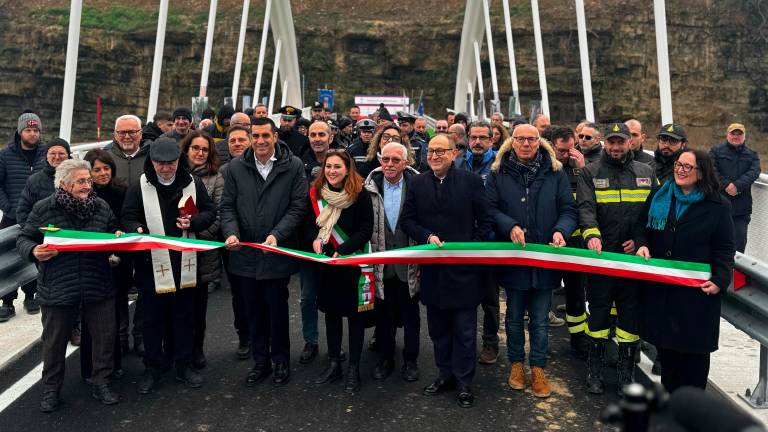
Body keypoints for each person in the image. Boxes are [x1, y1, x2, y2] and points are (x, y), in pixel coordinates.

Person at [17, 159, 122, 412]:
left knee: (104, 337)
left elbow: (113, 231)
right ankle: (51, 390)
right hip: (58, 286)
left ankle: (102, 383)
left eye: (89, 180)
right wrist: (34, 251)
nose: (88, 185)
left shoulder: (101, 206)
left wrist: (117, 243)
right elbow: (24, 237)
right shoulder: (44, 208)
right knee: (54, 342)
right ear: (63, 184)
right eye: (82, 181)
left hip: (97, 282)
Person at [401, 134, 492, 408]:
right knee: (438, 329)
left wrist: (471, 249)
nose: (435, 155)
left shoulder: (471, 182)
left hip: (464, 270)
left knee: (464, 331)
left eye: (441, 151)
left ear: (454, 154)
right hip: (433, 271)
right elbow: (408, 219)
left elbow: (485, 220)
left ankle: (464, 382)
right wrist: (426, 235)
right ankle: (445, 374)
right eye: (431, 151)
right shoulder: (417, 183)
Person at [486, 124, 577, 399]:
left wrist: (561, 230)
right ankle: (516, 364)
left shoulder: (555, 172)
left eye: (531, 139)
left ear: (540, 143)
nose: (526, 144)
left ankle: (538, 367)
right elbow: (490, 209)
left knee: (539, 319)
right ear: (512, 142)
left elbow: (568, 209)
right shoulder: (498, 173)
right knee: (513, 318)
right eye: (521, 139)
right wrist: (509, 225)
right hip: (514, 259)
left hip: (545, 257)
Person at [635, 149, 735, 392]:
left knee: (694, 358)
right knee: (668, 356)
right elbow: (640, 226)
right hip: (665, 291)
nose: (680, 170)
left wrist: (720, 280)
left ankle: (692, 413)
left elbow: (724, 248)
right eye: (679, 164)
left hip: (697, 294)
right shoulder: (661, 195)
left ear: (701, 173)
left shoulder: (718, 205)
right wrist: (642, 245)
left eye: (687, 167)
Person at [121, 137, 215, 394]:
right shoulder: (138, 187)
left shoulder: (192, 184)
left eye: (170, 163)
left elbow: (210, 212)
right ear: (152, 162)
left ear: (178, 161)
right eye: (160, 163)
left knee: (184, 318)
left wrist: (193, 223)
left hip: (184, 264)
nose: (165, 168)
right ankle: (153, 367)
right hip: (151, 265)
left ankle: (183, 364)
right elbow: (128, 216)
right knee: (152, 320)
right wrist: (136, 228)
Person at [221, 117, 307, 387]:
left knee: (277, 311)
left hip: (275, 253)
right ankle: (261, 362)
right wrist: (231, 232)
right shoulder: (235, 167)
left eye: (265, 136)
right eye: (255, 136)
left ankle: (281, 360)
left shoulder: (292, 166)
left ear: (275, 136)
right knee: (253, 312)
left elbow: (298, 206)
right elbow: (227, 207)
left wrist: (277, 235)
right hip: (244, 254)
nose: (260, 141)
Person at [577, 122, 657, 396]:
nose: (615, 147)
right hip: (602, 258)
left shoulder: (647, 173)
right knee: (598, 314)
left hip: (632, 260)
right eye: (611, 142)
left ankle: (625, 375)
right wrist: (591, 236)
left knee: (629, 319)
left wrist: (641, 241)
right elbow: (586, 208)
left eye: (620, 142)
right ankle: (594, 372)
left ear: (629, 143)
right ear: (604, 143)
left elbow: (652, 214)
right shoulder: (590, 171)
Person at [306, 150, 374, 393]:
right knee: (331, 315)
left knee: (355, 318)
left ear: (348, 169)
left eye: (337, 167)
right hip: (327, 266)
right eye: (328, 167)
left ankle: (353, 368)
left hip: (352, 263)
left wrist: (344, 249)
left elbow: (366, 228)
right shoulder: (316, 193)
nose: (332, 171)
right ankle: (334, 362)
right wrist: (313, 240)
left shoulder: (360, 194)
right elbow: (307, 225)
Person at [365, 142, 421, 382]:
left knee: (411, 318)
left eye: (395, 160)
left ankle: (411, 361)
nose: (389, 164)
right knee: (383, 317)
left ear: (405, 162)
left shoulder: (418, 186)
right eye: (385, 159)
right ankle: (385, 358)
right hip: (381, 265)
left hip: (409, 266)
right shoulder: (368, 187)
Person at [82, 149, 130, 377]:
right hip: (92, 262)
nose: (102, 173)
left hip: (119, 258)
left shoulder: (122, 191)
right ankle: (92, 366)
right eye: (97, 169)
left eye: (106, 168)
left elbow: (126, 220)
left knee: (118, 307)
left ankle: (117, 355)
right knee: (94, 314)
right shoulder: (82, 194)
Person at [544, 125, 589, 358]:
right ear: (552, 146)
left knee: (576, 292)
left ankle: (578, 337)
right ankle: (541, 339)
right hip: (548, 242)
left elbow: (588, 201)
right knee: (543, 290)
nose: (567, 155)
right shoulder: (543, 167)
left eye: (571, 150)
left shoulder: (579, 168)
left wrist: (583, 169)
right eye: (562, 151)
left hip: (574, 242)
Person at [13, 138, 71, 318]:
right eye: (52, 153)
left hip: (73, 240)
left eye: (61, 153)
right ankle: (55, 327)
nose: (57, 157)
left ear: (68, 155)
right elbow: (23, 212)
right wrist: (38, 235)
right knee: (52, 287)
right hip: (46, 244)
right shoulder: (35, 181)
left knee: (73, 286)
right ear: (46, 156)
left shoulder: (79, 177)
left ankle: (75, 326)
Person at [181, 131, 224, 369]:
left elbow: (218, 213)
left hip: (203, 250)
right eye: (195, 148)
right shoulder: (173, 174)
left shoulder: (216, 178)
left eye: (204, 149)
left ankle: (196, 350)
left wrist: (197, 236)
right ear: (186, 149)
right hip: (176, 250)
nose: (199, 153)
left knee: (198, 308)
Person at [0, 112, 47, 322]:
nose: (33, 134)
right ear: (20, 132)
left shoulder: (47, 153)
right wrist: (8, 208)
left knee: (33, 254)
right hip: (12, 216)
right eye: (28, 130)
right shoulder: (5, 155)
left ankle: (31, 295)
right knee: (7, 258)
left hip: (38, 216)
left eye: (36, 130)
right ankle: (7, 301)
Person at [296, 121, 332, 364]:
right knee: (308, 297)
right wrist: (311, 239)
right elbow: (297, 206)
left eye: (322, 134)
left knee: (335, 299)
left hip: (337, 243)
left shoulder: (343, 158)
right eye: (313, 135)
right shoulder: (297, 163)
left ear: (330, 136)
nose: (317, 138)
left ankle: (336, 343)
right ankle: (311, 340)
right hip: (309, 244)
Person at [710, 123, 761, 253]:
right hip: (718, 206)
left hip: (741, 210)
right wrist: (726, 185)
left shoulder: (752, 154)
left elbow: (754, 172)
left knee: (738, 247)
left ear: (744, 136)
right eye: (733, 133)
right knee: (715, 243)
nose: (736, 136)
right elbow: (711, 169)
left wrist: (737, 186)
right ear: (728, 135)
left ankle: (735, 273)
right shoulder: (715, 151)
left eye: (739, 134)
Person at [108, 115, 150, 187]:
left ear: (141, 134)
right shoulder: (105, 157)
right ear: (115, 135)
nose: (127, 137)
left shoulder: (152, 155)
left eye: (132, 132)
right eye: (122, 133)